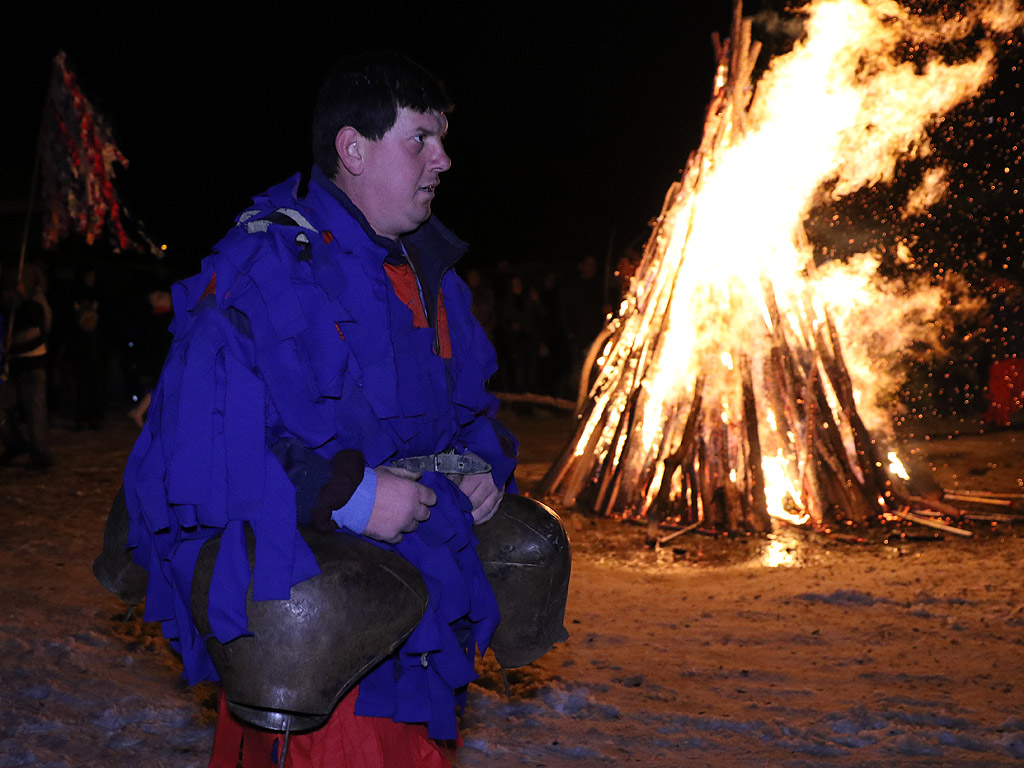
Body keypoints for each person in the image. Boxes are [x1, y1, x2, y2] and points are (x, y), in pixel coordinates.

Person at [123, 52, 518, 767]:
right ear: (353, 148)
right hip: (315, 638)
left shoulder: (430, 276)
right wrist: (347, 492)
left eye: (443, 138)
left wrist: (482, 464)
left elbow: (466, 410)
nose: (444, 159)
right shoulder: (264, 263)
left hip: (421, 624)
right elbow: (200, 438)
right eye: (421, 139)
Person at [1, 265, 55, 469]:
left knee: (35, 411)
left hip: (33, 365)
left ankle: (41, 454)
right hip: (13, 366)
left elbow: (37, 331)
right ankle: (15, 443)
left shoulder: (34, 305)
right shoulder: (11, 305)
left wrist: (11, 342)